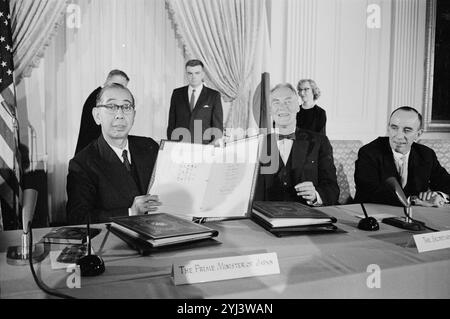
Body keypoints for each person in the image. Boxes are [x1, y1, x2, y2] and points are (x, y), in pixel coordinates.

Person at [66, 83, 160, 225]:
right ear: (97, 116)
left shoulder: (150, 146)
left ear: (134, 115)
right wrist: (130, 212)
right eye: (111, 107)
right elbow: (78, 218)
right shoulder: (82, 164)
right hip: (113, 242)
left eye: (126, 107)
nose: (120, 115)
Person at [255, 83, 339, 206]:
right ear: (270, 109)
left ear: (298, 107)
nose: (282, 107)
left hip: (306, 218)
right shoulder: (255, 144)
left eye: (288, 101)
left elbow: (332, 189)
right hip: (265, 219)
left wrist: (316, 194)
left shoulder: (319, 142)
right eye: (276, 102)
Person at [354, 106, 450, 207]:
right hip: (373, 214)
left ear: (418, 134)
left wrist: (438, 196)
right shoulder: (369, 152)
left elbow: (447, 183)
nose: (399, 136)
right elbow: (369, 192)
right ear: (388, 128)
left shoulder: (426, 154)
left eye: (407, 130)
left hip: (415, 216)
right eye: (394, 128)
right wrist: (415, 200)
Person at [167, 59, 223, 145]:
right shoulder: (177, 94)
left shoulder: (213, 96)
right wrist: (172, 144)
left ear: (203, 74)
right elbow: (171, 123)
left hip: (203, 147)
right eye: (190, 73)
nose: (193, 77)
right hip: (180, 147)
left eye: (197, 73)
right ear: (186, 74)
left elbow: (217, 127)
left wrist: (210, 148)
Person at [74, 70, 130, 155]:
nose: (122, 91)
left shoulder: (101, 96)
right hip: (90, 155)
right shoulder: (98, 99)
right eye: (119, 86)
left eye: (124, 88)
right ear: (109, 82)